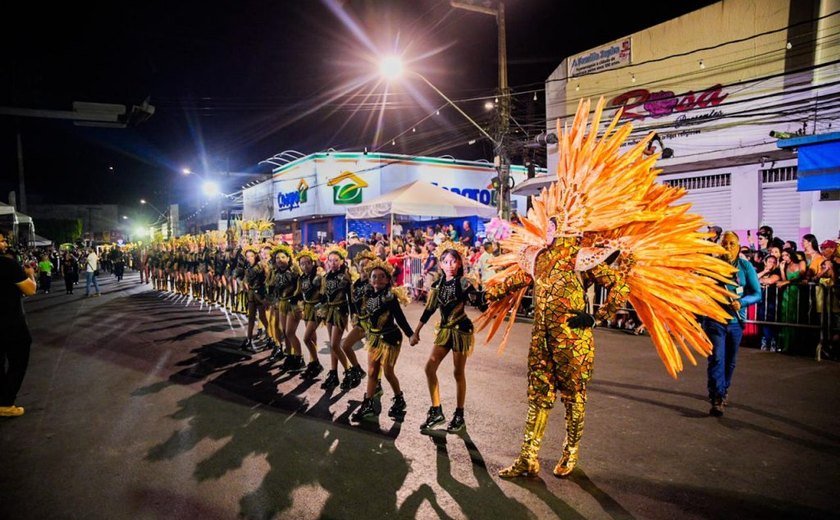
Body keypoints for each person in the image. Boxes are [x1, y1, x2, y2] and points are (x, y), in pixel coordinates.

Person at [476, 98, 736, 479]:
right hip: (543, 338)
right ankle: (528, 457)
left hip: (574, 337)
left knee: (573, 397)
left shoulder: (586, 256)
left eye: (556, 218)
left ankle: (570, 452)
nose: (550, 222)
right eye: (551, 218)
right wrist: (490, 288)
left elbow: (616, 284)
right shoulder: (539, 257)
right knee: (537, 396)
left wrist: (596, 315)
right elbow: (515, 281)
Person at [410, 241, 484, 433]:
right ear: (440, 264)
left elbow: (480, 303)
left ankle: (459, 415)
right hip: (444, 330)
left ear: (459, 263)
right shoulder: (437, 285)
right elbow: (429, 309)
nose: (450, 264)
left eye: (453, 261)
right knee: (429, 368)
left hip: (461, 330)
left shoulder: (464, 283)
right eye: (445, 261)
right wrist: (416, 331)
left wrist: (488, 297)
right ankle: (436, 411)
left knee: (457, 372)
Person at [703, 231, 761, 416]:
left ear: (738, 246)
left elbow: (757, 293)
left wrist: (742, 302)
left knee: (730, 362)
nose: (728, 247)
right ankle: (716, 396)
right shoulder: (712, 266)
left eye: (732, 244)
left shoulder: (745, 267)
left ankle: (723, 389)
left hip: (736, 321)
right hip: (714, 319)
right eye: (725, 243)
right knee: (717, 358)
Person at [351, 259, 415, 422]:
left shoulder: (389, 297)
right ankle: (368, 404)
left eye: (381, 277)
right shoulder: (367, 294)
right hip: (374, 336)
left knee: (387, 372)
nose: (377, 280)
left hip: (390, 338)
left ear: (387, 280)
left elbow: (400, 318)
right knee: (372, 372)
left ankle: (399, 399)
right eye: (374, 277)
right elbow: (360, 311)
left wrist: (411, 334)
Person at [0, 234, 37, 416]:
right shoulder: (7, 264)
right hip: (10, 322)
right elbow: (30, 290)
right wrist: (31, 275)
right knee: (18, 361)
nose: (4, 243)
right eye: (0, 240)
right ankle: (6, 403)